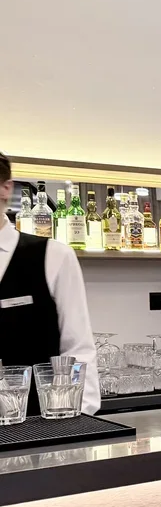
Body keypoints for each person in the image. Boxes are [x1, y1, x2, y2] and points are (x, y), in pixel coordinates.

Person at [0, 154, 100, 414]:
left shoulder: (53, 255)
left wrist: (79, 418)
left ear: (5, 188)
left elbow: (78, 349)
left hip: (36, 426)